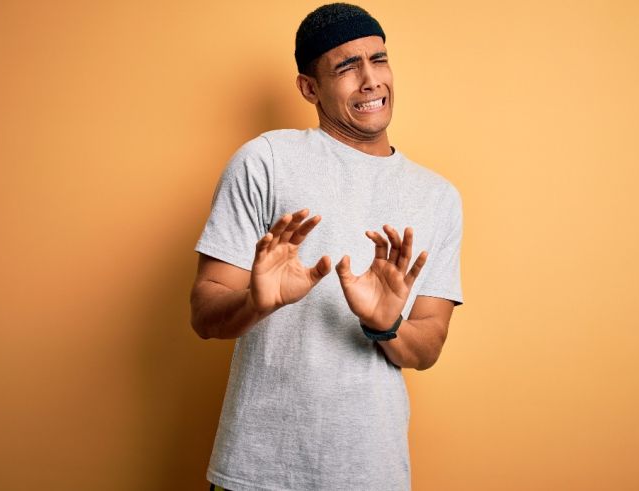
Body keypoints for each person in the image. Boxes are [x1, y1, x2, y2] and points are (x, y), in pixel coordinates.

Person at [190, 3, 463, 490]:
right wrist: (255, 301)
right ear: (309, 88)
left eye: (378, 60)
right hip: (256, 472)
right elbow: (205, 312)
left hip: (370, 473)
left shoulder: (437, 197)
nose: (370, 80)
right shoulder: (266, 161)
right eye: (346, 66)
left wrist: (386, 327)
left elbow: (428, 346)